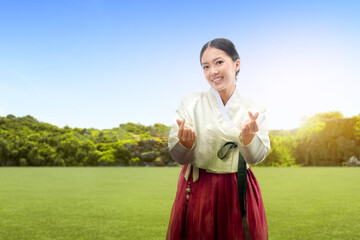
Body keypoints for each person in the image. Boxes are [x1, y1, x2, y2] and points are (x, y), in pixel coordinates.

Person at [166, 38, 270, 240]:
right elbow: (178, 155)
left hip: (238, 185)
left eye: (219, 62)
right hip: (198, 186)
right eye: (206, 66)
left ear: (236, 64)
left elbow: (257, 157)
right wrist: (185, 143)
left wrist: (248, 139)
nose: (212, 71)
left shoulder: (255, 107)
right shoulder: (191, 102)